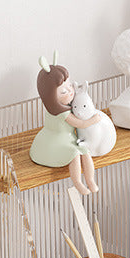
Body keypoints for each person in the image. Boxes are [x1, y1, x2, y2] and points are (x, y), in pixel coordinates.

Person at [29, 57, 102, 195]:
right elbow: (81, 123)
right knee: (74, 154)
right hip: (55, 143)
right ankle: (78, 184)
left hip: (63, 138)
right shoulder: (63, 113)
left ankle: (91, 181)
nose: (70, 91)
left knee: (85, 151)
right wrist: (95, 119)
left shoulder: (56, 107)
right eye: (63, 91)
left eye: (69, 86)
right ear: (51, 96)